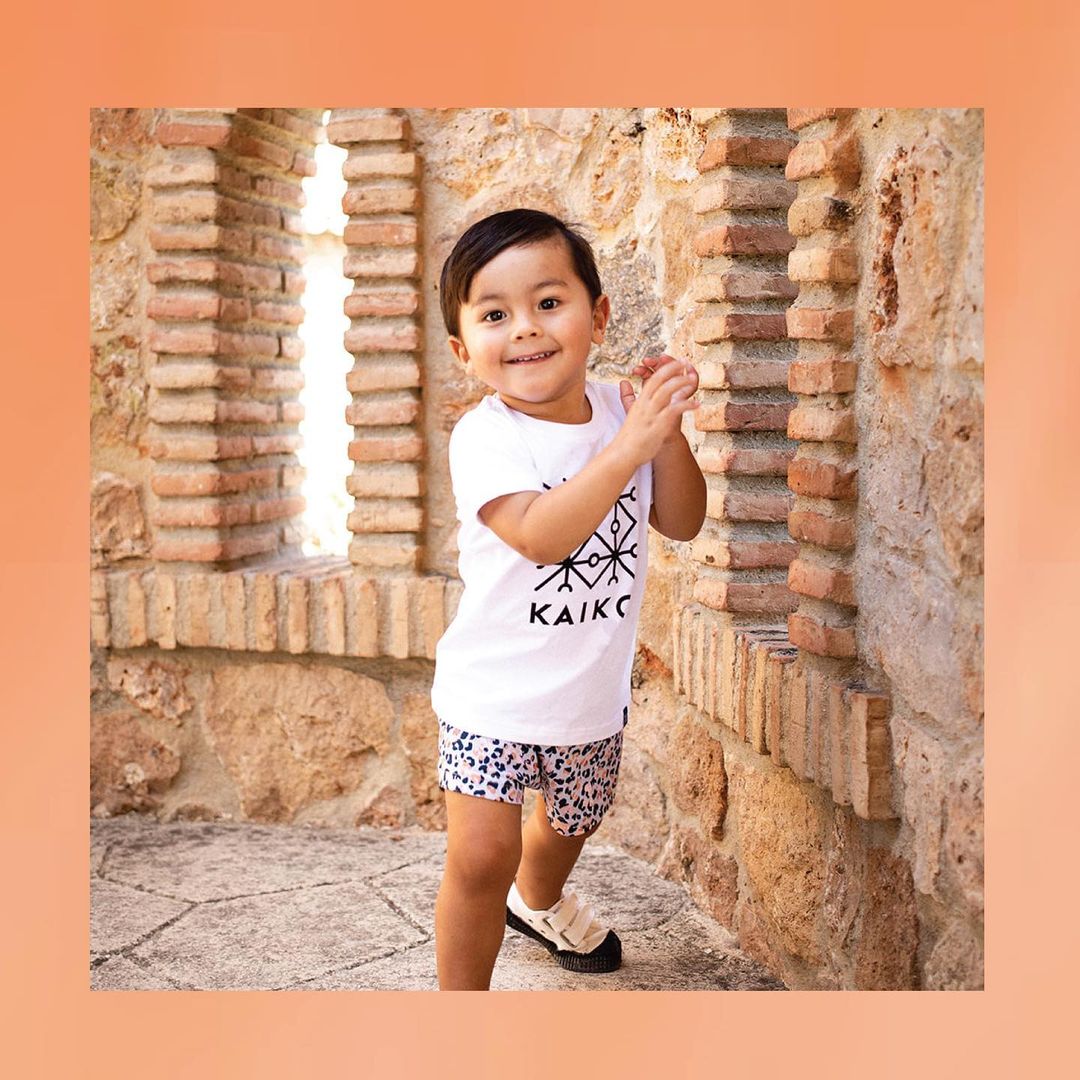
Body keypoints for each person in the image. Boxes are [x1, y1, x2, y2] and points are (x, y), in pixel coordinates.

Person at [431, 208, 706, 990]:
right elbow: (540, 535)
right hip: (491, 694)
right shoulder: (485, 437)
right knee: (483, 856)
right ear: (463, 349)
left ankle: (539, 902)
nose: (526, 327)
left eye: (549, 302)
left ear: (599, 315)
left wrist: (664, 432)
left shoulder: (625, 414)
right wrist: (628, 446)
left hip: (586, 695)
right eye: (494, 315)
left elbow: (683, 520)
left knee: (568, 826)